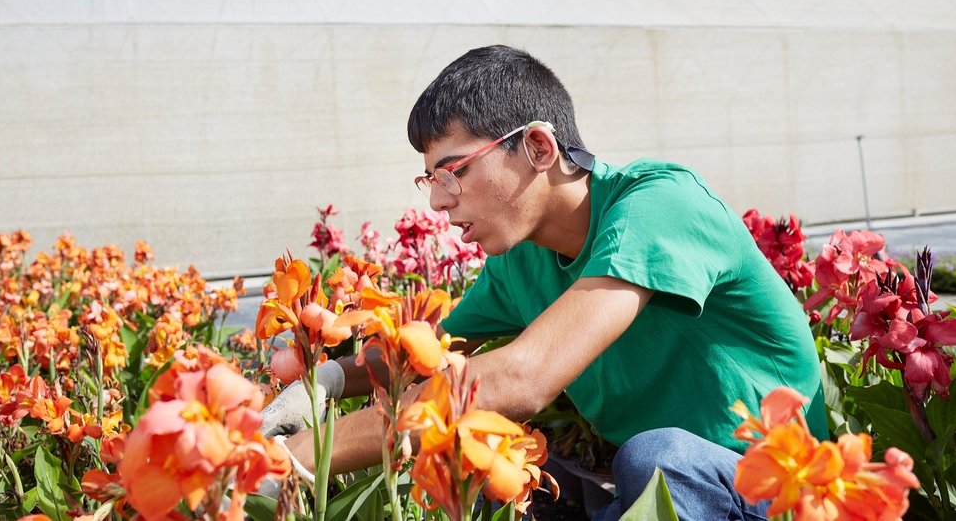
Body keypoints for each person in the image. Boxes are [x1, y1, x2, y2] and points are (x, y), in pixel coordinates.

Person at [262, 45, 827, 520]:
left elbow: (524, 377)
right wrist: (326, 380)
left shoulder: (659, 205)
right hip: (675, 498)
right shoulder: (520, 260)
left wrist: (297, 456)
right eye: (427, 179)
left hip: (785, 492)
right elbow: (425, 353)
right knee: (489, 463)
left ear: (538, 147)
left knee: (659, 459)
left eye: (454, 171)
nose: (437, 200)